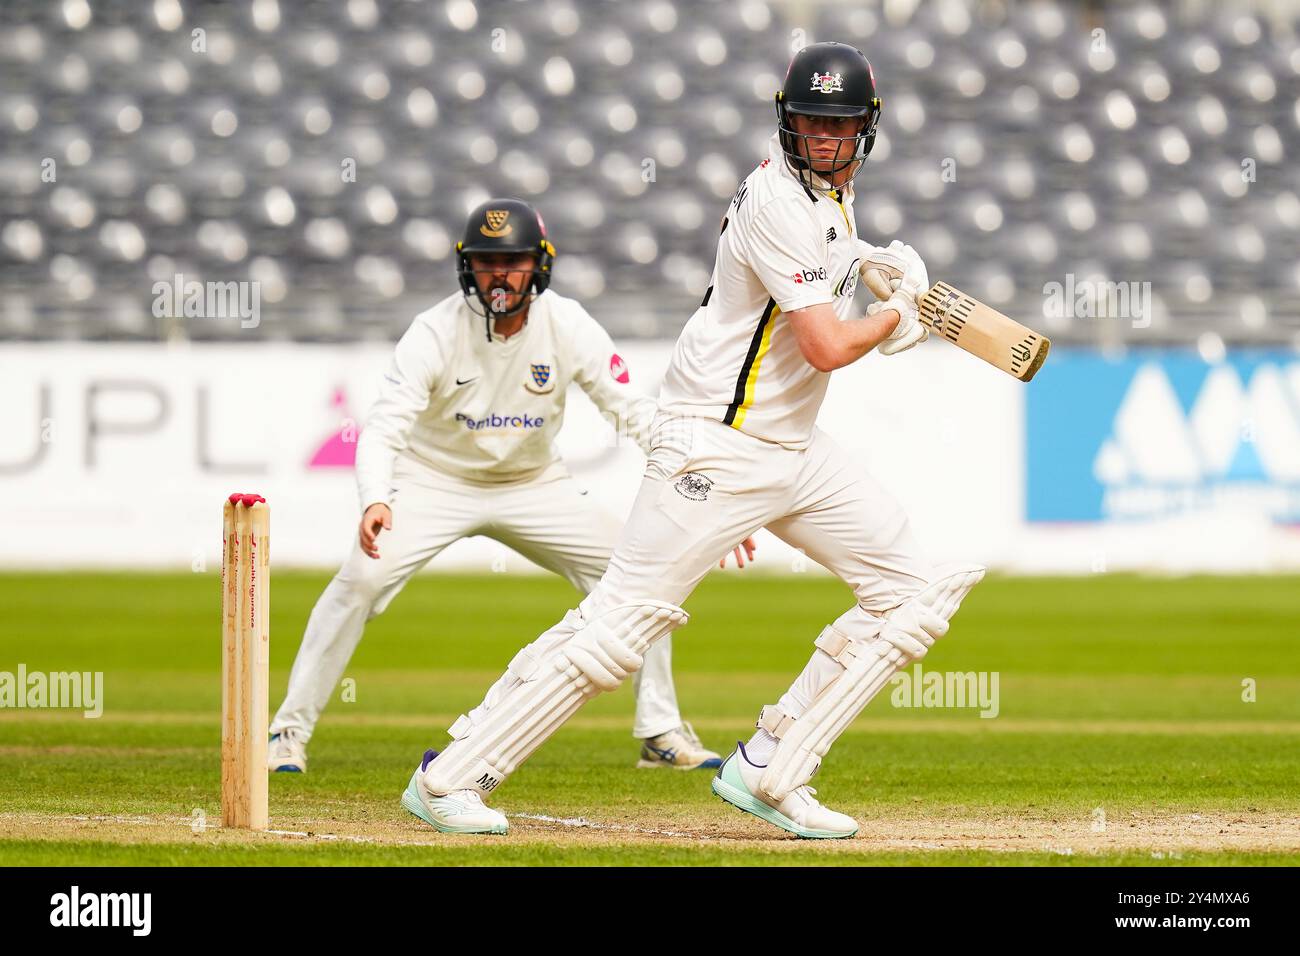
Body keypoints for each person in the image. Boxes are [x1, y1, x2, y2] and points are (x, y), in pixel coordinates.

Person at [401, 43, 983, 839]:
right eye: (810, 122)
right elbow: (823, 346)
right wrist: (896, 316)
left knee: (909, 595)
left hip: (790, 447)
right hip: (715, 442)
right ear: (786, 120)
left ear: (866, 128)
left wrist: (872, 266)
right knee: (620, 626)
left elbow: (822, 282)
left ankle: (771, 767)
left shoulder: (831, 203)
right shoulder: (778, 202)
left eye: (839, 124)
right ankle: (450, 778)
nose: (823, 138)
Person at [269, 198, 754, 786]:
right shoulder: (434, 330)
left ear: (538, 265)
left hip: (533, 482)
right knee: (361, 579)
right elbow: (385, 425)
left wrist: (704, 488)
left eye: (513, 262)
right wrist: (376, 496)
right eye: (486, 262)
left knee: (643, 572)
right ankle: (288, 731)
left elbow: (633, 413)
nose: (499, 276)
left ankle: (660, 731)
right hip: (435, 480)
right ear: (466, 266)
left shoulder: (567, 324)